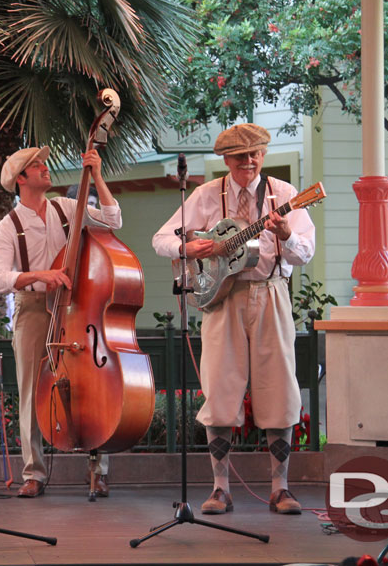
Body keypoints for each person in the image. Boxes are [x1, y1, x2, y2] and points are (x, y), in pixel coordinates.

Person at [151, 123, 315, 516]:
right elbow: (161, 239)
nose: (250, 161)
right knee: (220, 390)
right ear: (226, 159)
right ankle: (220, 488)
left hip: (271, 293)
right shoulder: (207, 194)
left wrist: (287, 232)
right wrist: (187, 246)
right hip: (221, 298)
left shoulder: (285, 195)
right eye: (241, 156)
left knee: (279, 389)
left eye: (256, 153)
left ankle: (281, 488)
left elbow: (304, 253)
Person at [0, 146, 122, 498]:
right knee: (33, 389)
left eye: (44, 164)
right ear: (20, 179)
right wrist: (40, 275)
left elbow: (113, 220)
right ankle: (34, 473)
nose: (45, 169)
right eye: (36, 166)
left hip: (77, 307)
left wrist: (96, 175)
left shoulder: (66, 207)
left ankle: (99, 469)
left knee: (90, 382)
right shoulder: (8, 226)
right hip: (33, 307)